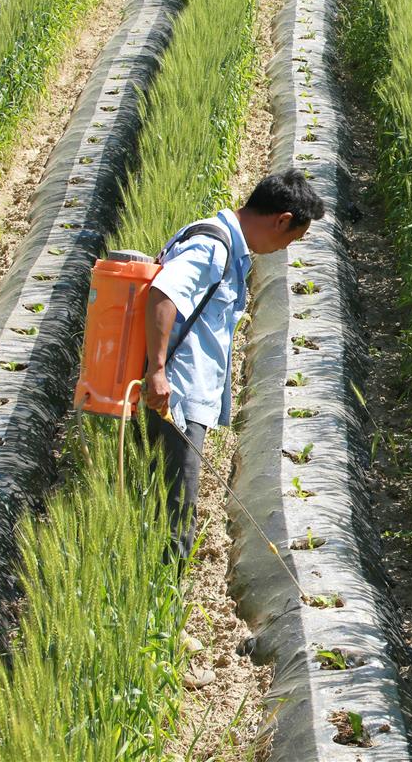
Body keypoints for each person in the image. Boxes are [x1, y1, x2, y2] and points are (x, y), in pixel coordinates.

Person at [143, 168, 323, 566]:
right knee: (174, 517)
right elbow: (163, 292)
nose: (283, 249)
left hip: (181, 396)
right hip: (176, 398)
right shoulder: (215, 247)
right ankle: (163, 611)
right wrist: (157, 371)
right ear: (282, 220)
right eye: (290, 239)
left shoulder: (216, 240)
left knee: (163, 509)